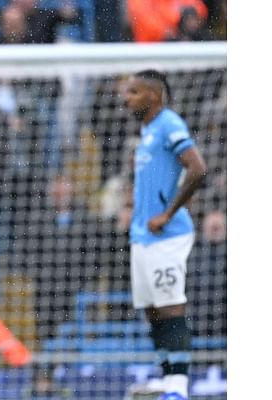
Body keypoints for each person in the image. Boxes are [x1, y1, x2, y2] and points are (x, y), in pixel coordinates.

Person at [122, 69, 207, 400]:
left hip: (167, 235)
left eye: (134, 92)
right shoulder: (147, 131)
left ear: (153, 96)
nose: (126, 98)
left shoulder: (169, 123)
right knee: (153, 310)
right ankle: (166, 377)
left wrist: (168, 213)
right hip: (143, 237)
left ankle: (178, 387)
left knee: (171, 307)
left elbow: (198, 168)